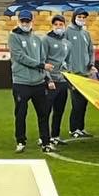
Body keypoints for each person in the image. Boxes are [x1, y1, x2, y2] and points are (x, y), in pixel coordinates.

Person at [8, 8, 51, 154]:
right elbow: (20, 57)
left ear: (32, 21)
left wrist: (46, 76)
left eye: (27, 21)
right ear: (19, 21)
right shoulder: (13, 36)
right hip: (22, 82)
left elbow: (43, 58)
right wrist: (40, 65)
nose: (25, 23)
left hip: (38, 82)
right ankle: (20, 141)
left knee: (43, 113)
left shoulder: (37, 39)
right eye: (23, 21)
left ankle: (46, 141)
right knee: (20, 113)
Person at [66, 9, 96, 139]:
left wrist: (91, 64)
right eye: (79, 16)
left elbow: (90, 51)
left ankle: (81, 128)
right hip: (74, 74)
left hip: (85, 74)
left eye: (84, 17)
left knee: (83, 103)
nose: (82, 19)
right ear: (74, 17)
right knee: (76, 103)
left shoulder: (86, 33)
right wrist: (67, 70)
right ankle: (74, 129)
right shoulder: (67, 32)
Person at [43, 14, 73, 145]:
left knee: (59, 110)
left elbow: (68, 61)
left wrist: (69, 77)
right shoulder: (46, 40)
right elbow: (42, 60)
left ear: (64, 26)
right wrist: (48, 79)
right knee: (46, 110)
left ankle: (55, 135)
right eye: (56, 25)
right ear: (52, 26)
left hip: (62, 81)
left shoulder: (67, 43)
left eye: (61, 25)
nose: (58, 27)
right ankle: (43, 136)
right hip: (51, 81)